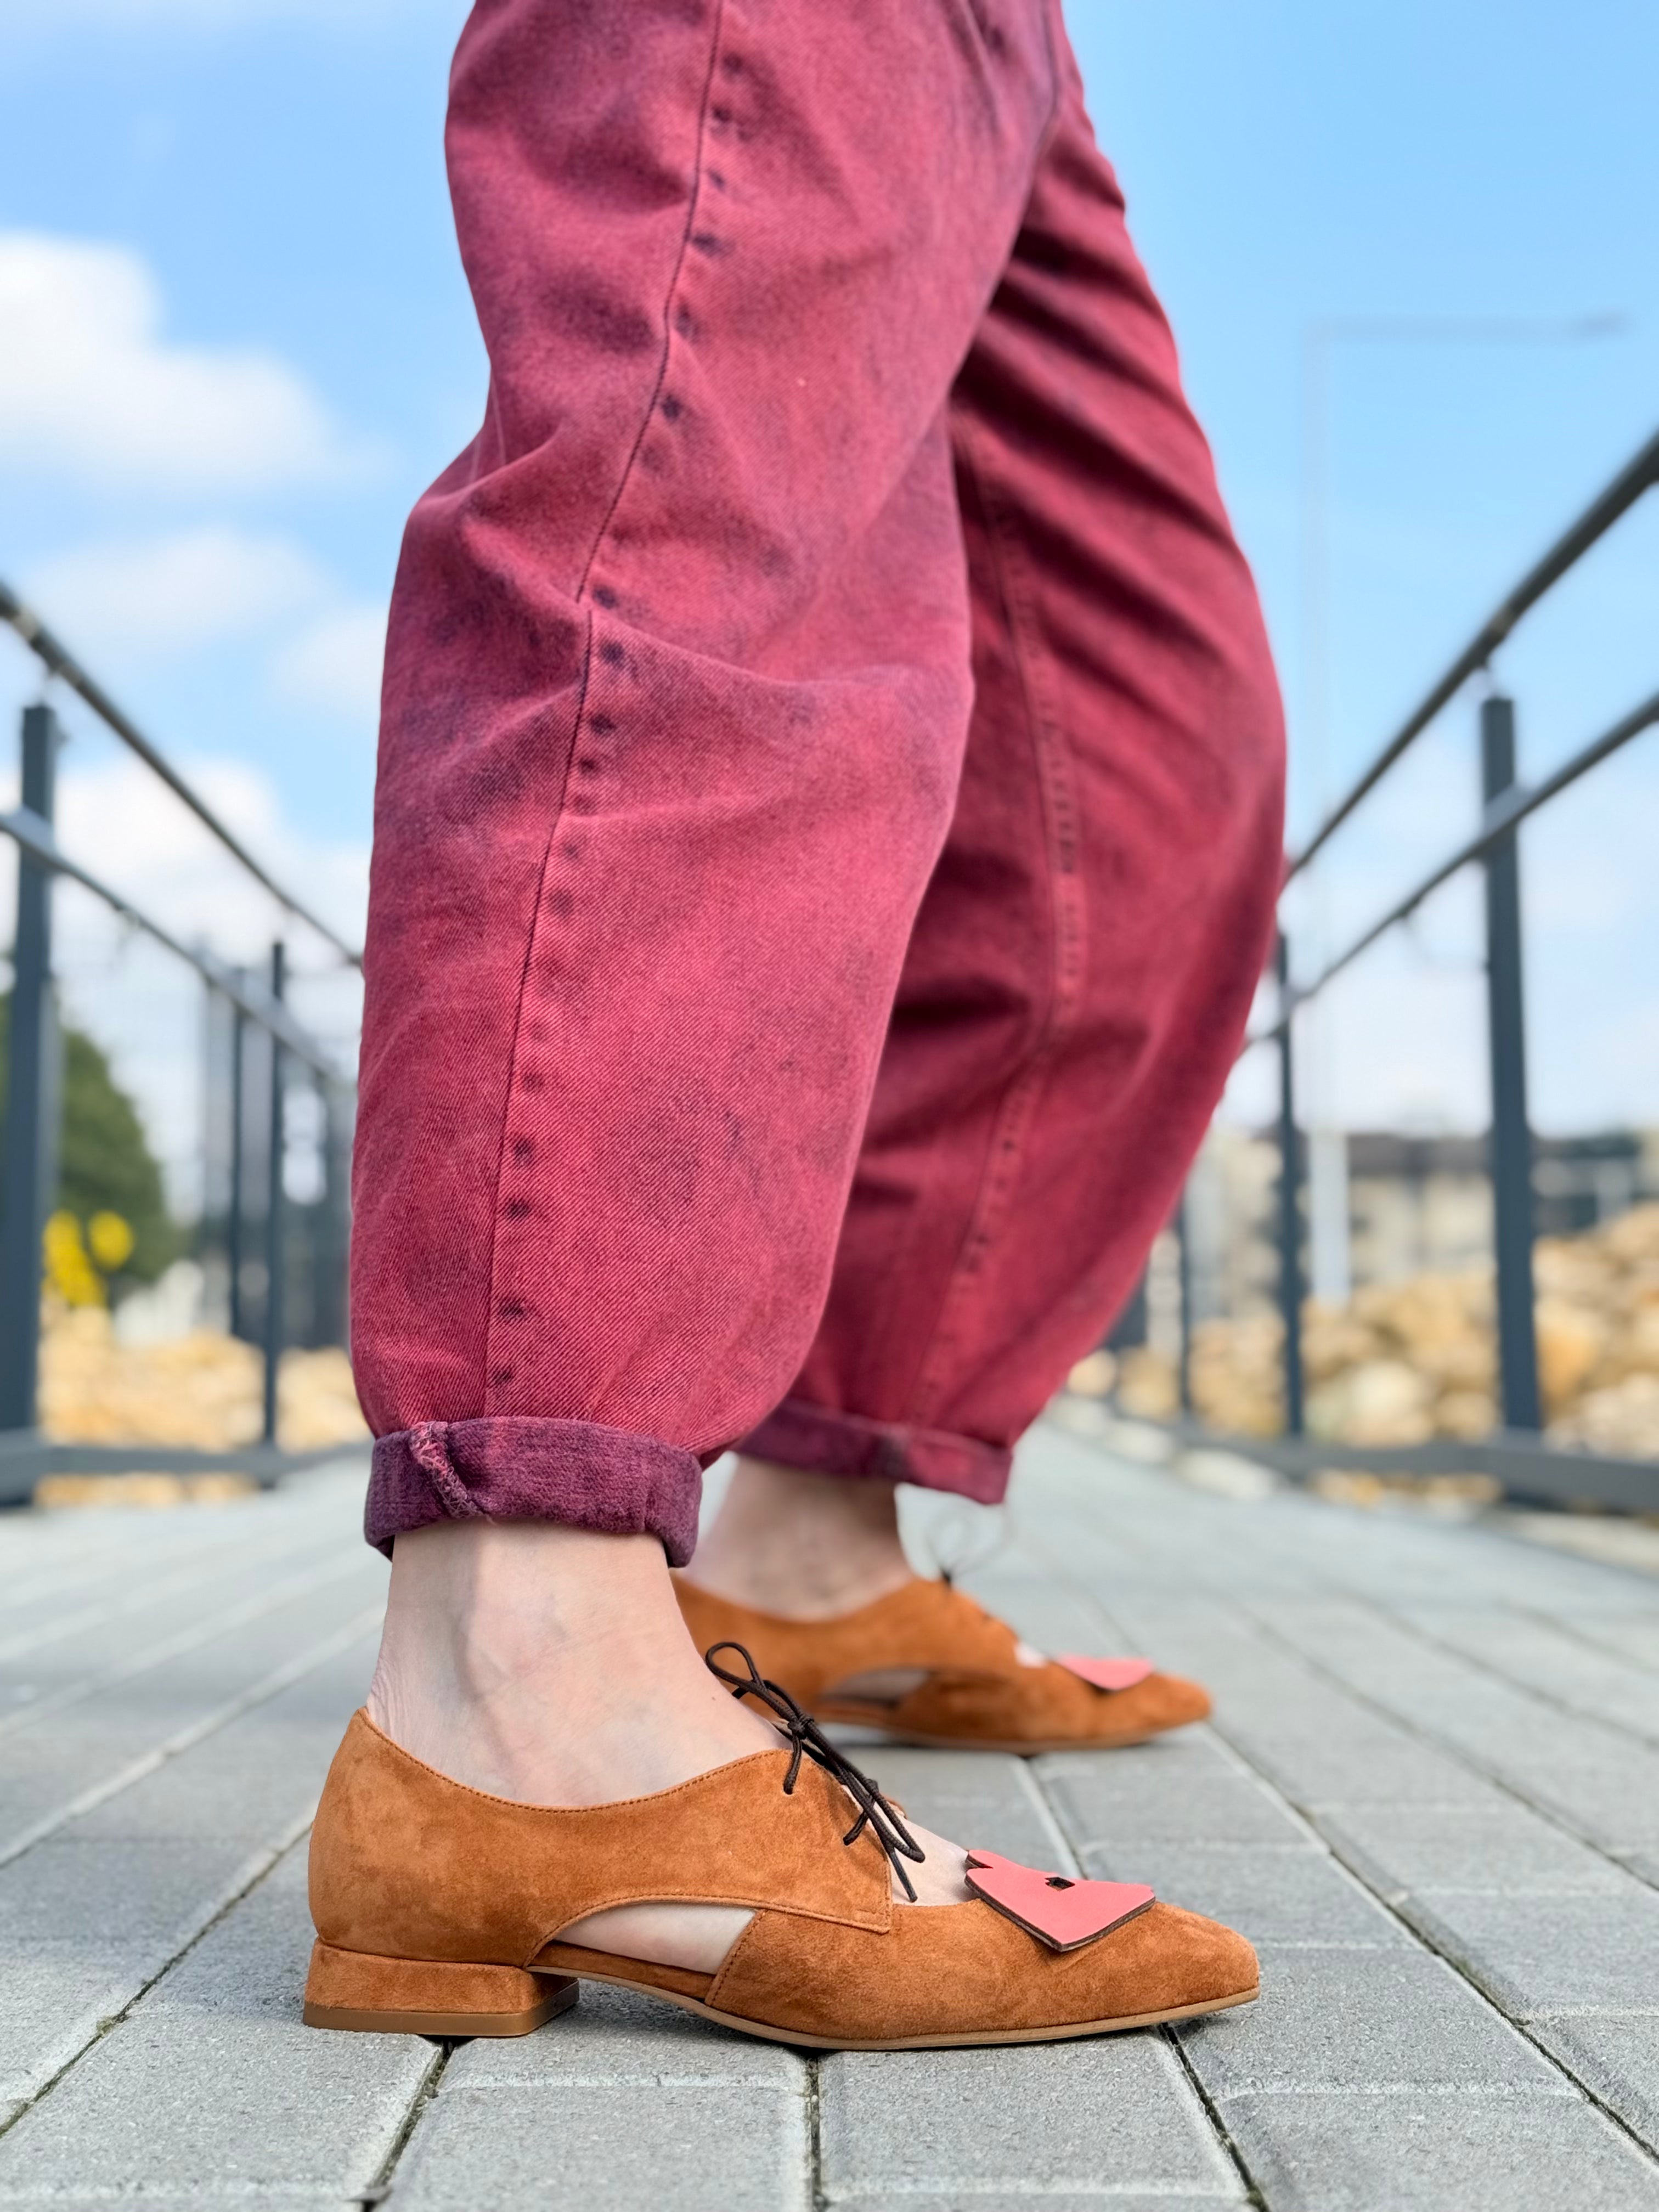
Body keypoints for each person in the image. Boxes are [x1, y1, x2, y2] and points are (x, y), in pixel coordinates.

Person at [302, 0, 1283, 2051]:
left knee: (1139, 757)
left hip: (1029, 53)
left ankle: (813, 1547)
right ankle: (520, 1661)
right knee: (692, 504)